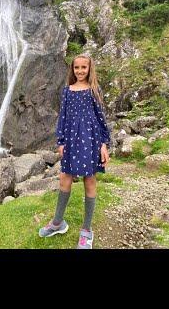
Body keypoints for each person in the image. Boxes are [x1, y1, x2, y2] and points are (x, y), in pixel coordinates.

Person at [38, 54, 111, 249]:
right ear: (72, 69)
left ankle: (87, 230)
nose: (80, 71)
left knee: (89, 179)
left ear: (89, 69)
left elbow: (101, 117)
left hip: (91, 139)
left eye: (83, 68)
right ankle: (57, 223)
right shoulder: (67, 91)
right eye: (76, 68)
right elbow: (62, 116)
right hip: (71, 140)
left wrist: (104, 144)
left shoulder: (94, 90)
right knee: (65, 178)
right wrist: (60, 141)